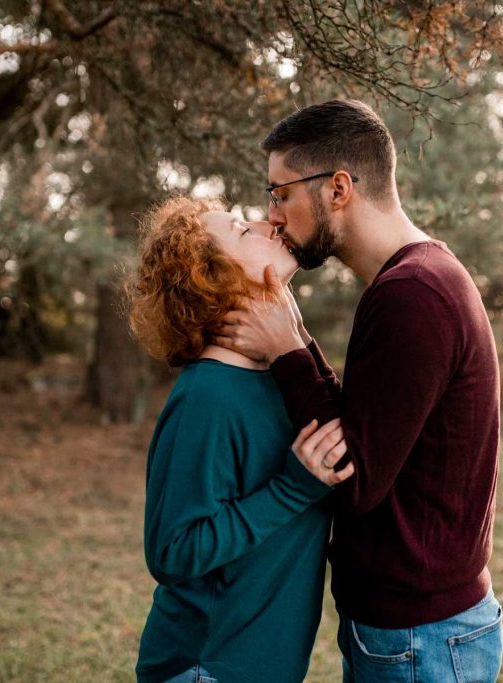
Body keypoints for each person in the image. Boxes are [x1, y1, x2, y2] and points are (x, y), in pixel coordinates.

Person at [215, 99, 503, 682]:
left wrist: (289, 356)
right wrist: (295, 337)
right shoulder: (414, 280)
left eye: (281, 193)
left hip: (420, 637)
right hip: (419, 629)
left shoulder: (413, 294)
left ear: (338, 188)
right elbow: (368, 425)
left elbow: (353, 477)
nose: (273, 215)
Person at [126, 197, 354, 683]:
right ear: (211, 278)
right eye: (242, 230)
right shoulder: (205, 397)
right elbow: (172, 551)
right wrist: (293, 488)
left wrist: (293, 338)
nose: (266, 224)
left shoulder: (280, 378)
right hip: (204, 667)